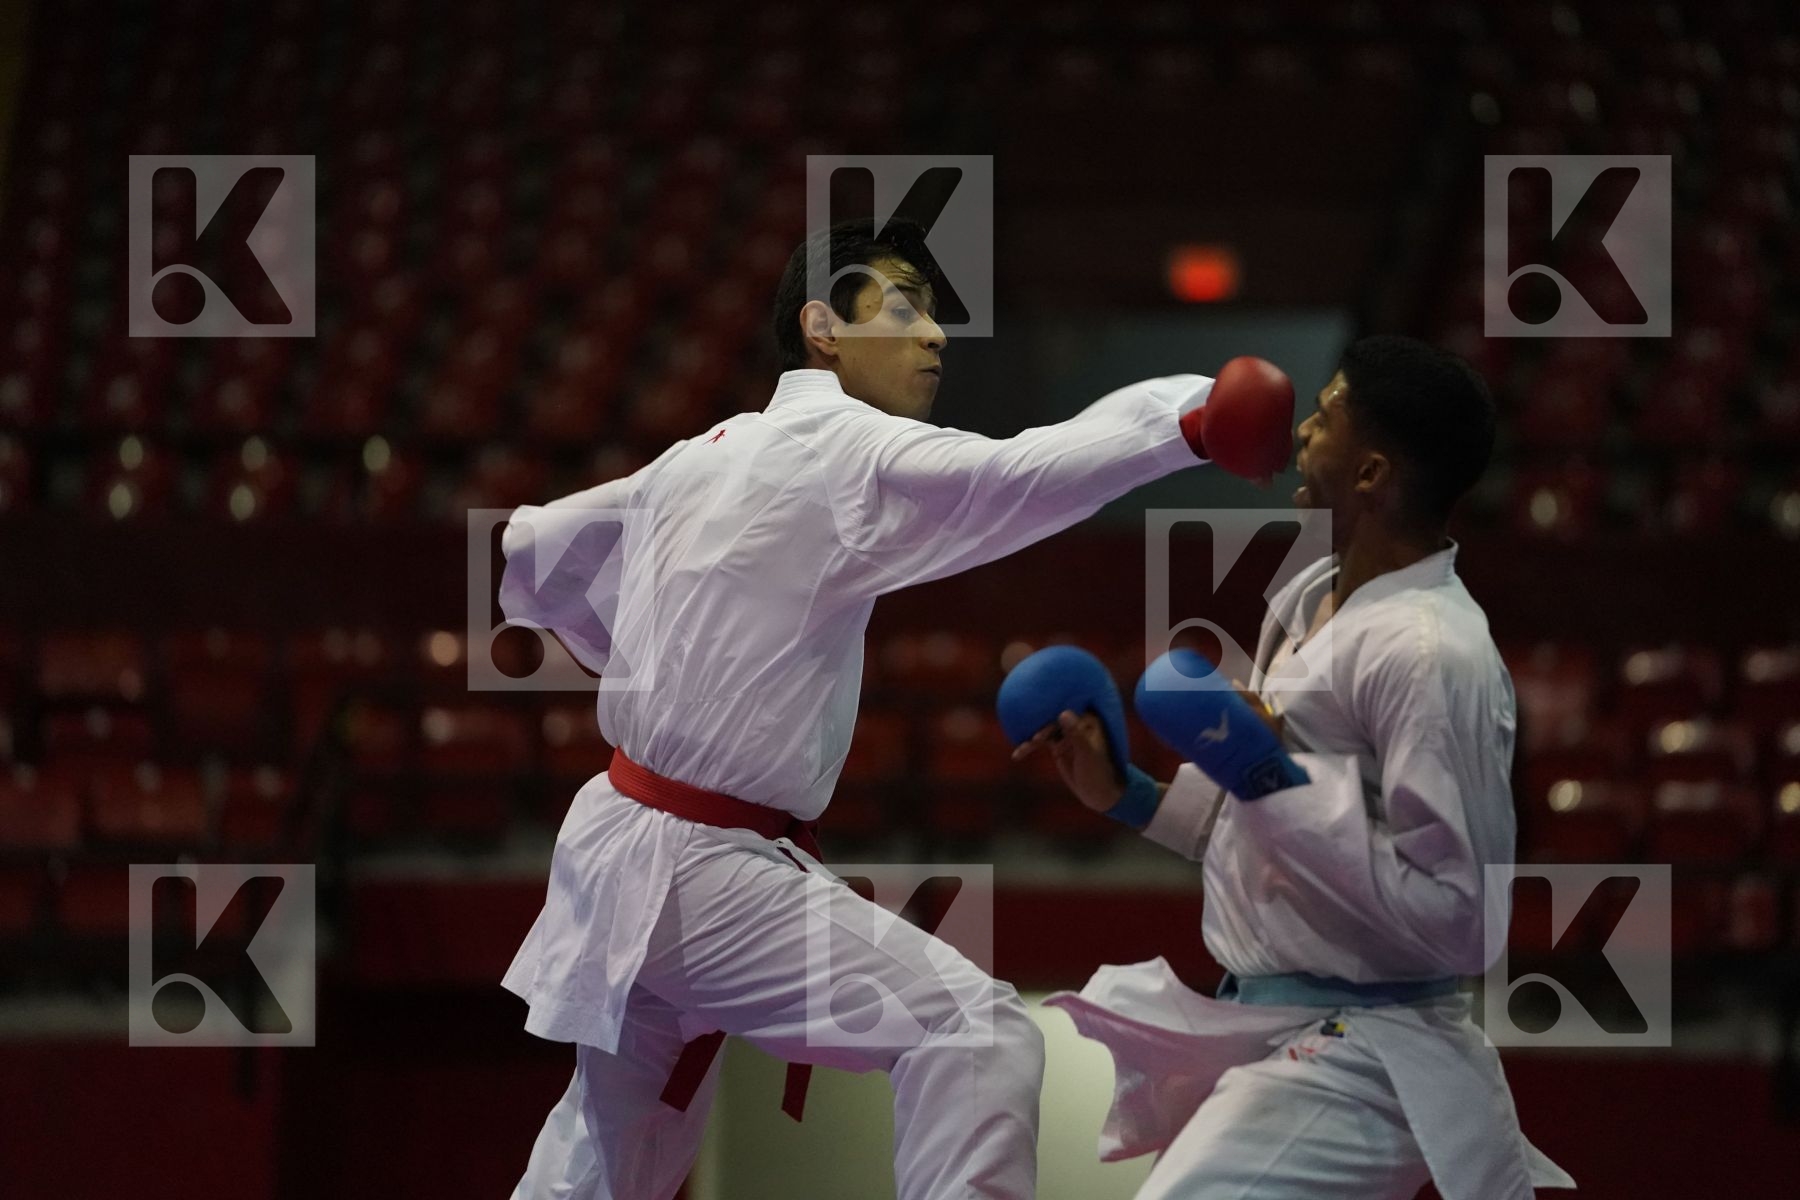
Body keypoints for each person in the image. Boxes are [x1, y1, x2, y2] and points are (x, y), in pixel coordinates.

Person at [499, 217, 1295, 1200]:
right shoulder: (846, 452)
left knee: (608, 1153)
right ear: (822, 328)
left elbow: (533, 551)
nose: (937, 338)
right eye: (907, 308)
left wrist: (641, 663)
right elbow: (1024, 475)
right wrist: (1192, 420)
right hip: (698, 871)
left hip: (620, 843)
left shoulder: (700, 453)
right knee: (975, 1029)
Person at [1012, 336, 1575, 1199]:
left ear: (1371, 473)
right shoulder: (1312, 595)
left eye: (1326, 416)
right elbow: (1260, 828)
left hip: (1370, 1051)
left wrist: (1276, 779)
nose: (1302, 431)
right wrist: (1128, 795)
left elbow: (1465, 922)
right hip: (1275, 1022)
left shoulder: (1434, 653)